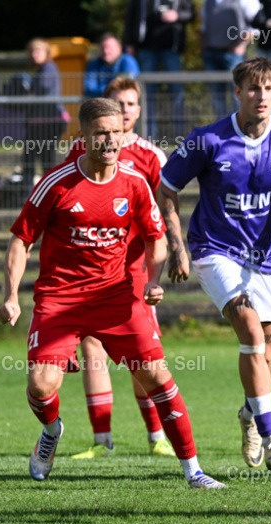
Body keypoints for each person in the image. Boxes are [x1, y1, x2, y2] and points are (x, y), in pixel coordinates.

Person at [0, 97, 225, 489]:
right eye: (101, 132)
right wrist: (11, 295)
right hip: (60, 300)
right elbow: (21, 240)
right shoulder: (56, 182)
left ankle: (194, 472)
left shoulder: (135, 183)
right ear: (83, 136)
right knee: (40, 385)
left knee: (157, 375)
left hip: (118, 298)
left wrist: (153, 279)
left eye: (116, 132)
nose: (110, 140)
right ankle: (51, 432)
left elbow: (156, 240)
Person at [157, 56, 271, 471]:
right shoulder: (207, 140)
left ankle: (249, 414)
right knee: (249, 327)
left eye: (268, 88)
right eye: (252, 88)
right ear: (237, 92)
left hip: (265, 259)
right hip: (215, 250)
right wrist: (177, 246)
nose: (260, 96)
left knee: (264, 349)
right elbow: (167, 188)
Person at [62, 77, 173, 459]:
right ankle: (101, 440)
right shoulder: (80, 150)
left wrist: (176, 250)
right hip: (92, 270)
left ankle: (156, 436)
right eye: (116, 103)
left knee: (143, 355)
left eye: (130, 104)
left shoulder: (151, 156)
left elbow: (165, 211)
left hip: (135, 269)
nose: (123, 111)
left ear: (138, 110)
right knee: (92, 347)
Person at [123, 0, 195, 140]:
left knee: (176, 92)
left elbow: (191, 13)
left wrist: (177, 15)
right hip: (146, 49)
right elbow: (131, 17)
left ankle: (179, 136)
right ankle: (148, 136)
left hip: (172, 50)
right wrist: (129, 42)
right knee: (146, 93)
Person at [23, 38, 70, 197]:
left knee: (46, 160)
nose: (35, 54)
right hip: (39, 122)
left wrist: (27, 88)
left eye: (38, 51)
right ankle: (34, 195)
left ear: (46, 52)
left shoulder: (49, 68)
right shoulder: (40, 70)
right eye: (32, 51)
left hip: (50, 121)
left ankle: (51, 195)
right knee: (31, 159)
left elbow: (42, 88)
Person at [202, 0, 261, 119]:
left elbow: (256, 24)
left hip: (234, 55)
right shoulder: (208, 2)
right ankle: (223, 132)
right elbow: (204, 26)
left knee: (238, 94)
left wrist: (242, 44)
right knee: (216, 97)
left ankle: (239, 130)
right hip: (211, 53)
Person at [83, 34, 141, 99]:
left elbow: (128, 85)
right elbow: (88, 89)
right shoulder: (93, 64)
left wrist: (104, 91)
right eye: (103, 47)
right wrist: (112, 89)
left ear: (119, 48)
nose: (105, 51)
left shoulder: (128, 61)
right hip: (100, 105)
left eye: (109, 47)